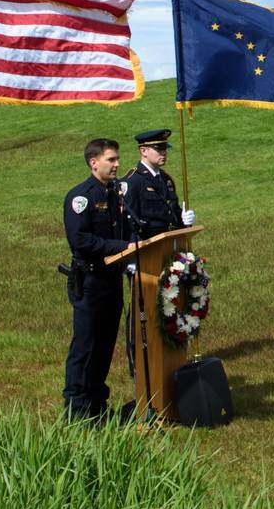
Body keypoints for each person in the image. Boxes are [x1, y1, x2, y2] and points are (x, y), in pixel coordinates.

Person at [62, 136, 131, 419]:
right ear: (94, 163)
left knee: (105, 346)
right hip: (90, 282)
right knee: (86, 346)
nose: (116, 164)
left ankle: (97, 405)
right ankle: (77, 409)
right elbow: (81, 241)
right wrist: (123, 248)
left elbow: (125, 230)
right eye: (111, 159)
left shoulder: (114, 194)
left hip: (112, 282)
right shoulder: (81, 197)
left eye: (116, 159)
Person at [123, 128, 194, 241]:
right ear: (144, 151)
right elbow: (129, 224)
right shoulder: (133, 181)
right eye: (159, 149)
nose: (164, 152)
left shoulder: (166, 178)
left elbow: (171, 210)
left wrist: (183, 220)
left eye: (165, 148)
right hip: (149, 246)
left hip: (171, 242)